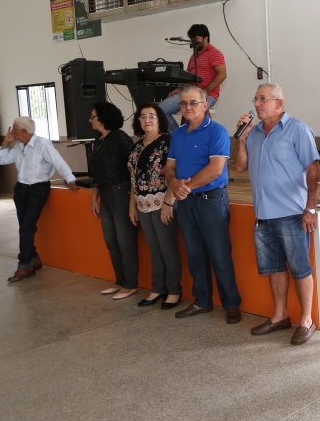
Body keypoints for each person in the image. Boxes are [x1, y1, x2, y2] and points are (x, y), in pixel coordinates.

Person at [234, 84, 320, 344]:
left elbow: (313, 170)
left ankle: (306, 321)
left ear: (279, 103)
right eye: (256, 99)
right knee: (274, 268)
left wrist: (311, 208)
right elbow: (240, 166)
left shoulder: (298, 129)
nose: (257, 104)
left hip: (292, 213)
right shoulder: (253, 133)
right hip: (263, 215)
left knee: (300, 268)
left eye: (263, 99)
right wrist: (241, 138)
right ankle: (280, 316)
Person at [166, 86, 242, 324]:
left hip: (211, 201)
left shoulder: (217, 131)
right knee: (195, 254)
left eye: (193, 103)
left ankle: (231, 304)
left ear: (205, 105)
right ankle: (202, 301)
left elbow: (215, 169)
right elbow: (169, 167)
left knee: (219, 254)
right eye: (183, 103)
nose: (188, 107)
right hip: (185, 202)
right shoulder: (178, 134)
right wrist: (173, 183)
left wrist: (184, 187)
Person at [0, 117, 79, 282]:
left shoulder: (43, 144)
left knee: (26, 227)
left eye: (14, 129)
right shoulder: (19, 147)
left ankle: (24, 265)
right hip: (21, 190)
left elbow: (59, 162)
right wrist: (5, 143)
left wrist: (71, 180)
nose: (12, 132)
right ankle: (34, 258)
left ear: (24, 131)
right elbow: (2, 160)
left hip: (38, 190)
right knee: (25, 227)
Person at [128, 104, 182, 310]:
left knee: (167, 248)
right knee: (154, 248)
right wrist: (132, 206)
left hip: (162, 203)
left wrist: (169, 202)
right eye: (143, 117)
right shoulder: (136, 146)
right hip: (142, 205)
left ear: (159, 119)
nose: (147, 120)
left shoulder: (168, 142)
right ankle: (158, 287)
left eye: (152, 116)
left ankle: (174, 289)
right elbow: (133, 179)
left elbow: (175, 174)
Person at [89, 102, 139, 299]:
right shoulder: (98, 141)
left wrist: (132, 198)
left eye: (93, 116)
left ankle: (130, 284)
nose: (90, 120)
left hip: (120, 192)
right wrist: (95, 195)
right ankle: (120, 280)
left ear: (104, 118)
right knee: (111, 241)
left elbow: (134, 167)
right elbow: (97, 172)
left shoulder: (119, 138)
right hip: (105, 193)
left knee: (125, 241)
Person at [159, 24, 226, 133]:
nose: (193, 42)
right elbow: (190, 78)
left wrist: (205, 91)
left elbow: (222, 75)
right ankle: (179, 136)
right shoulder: (193, 56)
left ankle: (183, 137)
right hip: (189, 93)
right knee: (160, 110)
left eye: (196, 39)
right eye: (192, 39)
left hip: (208, 95)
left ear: (206, 38)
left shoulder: (214, 53)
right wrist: (182, 88)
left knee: (191, 113)